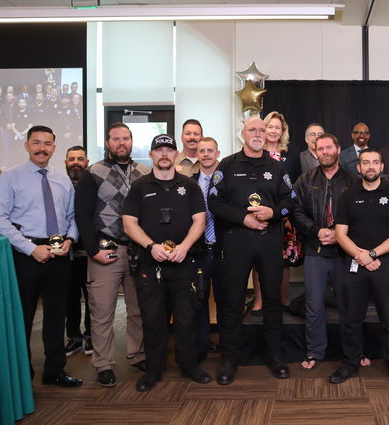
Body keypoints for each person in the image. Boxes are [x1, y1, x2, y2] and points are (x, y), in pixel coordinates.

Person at [122, 134, 211, 392]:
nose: (164, 154)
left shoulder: (189, 186)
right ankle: (153, 370)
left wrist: (183, 247)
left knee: (186, 318)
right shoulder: (139, 187)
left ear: (176, 154)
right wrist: (151, 246)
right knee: (153, 319)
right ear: (151, 155)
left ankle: (189, 366)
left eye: (168, 150)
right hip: (151, 265)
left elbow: (200, 221)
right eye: (158, 150)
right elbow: (129, 224)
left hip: (184, 262)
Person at [0, 125, 82, 387]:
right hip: (26, 254)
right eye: (36, 143)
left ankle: (54, 371)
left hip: (59, 254)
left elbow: (72, 216)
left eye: (47, 144)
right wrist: (31, 248)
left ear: (54, 148)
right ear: (26, 145)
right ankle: (22, 374)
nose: (42, 148)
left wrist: (70, 239)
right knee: (23, 316)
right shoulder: (11, 176)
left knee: (57, 315)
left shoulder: (62, 178)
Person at [209, 116, 292, 384]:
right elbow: (214, 203)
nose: (257, 133)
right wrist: (242, 218)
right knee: (231, 302)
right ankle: (229, 358)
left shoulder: (277, 166)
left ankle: (276, 356)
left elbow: (291, 201)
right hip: (235, 241)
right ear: (242, 134)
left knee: (272, 301)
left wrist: (273, 211)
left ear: (269, 134)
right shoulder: (228, 165)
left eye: (261, 129)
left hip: (269, 240)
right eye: (252, 129)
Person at [330, 149, 389, 387]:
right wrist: (361, 256)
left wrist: (373, 254)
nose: (370, 167)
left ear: (382, 167)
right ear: (359, 167)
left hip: (385, 262)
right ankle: (349, 364)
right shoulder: (347, 195)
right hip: (355, 261)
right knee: (351, 318)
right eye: (366, 163)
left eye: (375, 162)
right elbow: (340, 234)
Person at [75, 122, 148, 387]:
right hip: (105, 251)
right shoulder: (92, 172)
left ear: (131, 141)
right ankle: (103, 364)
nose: (121, 143)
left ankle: (137, 354)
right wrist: (93, 250)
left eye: (125, 138)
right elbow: (82, 214)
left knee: (138, 309)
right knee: (102, 311)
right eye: (116, 139)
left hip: (137, 251)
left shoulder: (144, 172)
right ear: (108, 143)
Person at [292, 133, 358, 370]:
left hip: (344, 252)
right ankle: (315, 352)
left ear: (338, 149)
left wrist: (338, 234)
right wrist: (316, 231)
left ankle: (354, 352)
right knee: (314, 305)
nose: (325, 152)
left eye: (329, 147)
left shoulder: (353, 180)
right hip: (315, 250)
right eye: (320, 149)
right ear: (315, 152)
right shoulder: (305, 179)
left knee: (349, 305)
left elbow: (359, 214)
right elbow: (296, 211)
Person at [249, 111, 297, 315]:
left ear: (283, 131)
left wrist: (285, 214)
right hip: (258, 214)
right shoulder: (255, 152)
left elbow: (295, 186)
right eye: (270, 127)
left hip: (284, 215)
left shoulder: (291, 154)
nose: (274, 131)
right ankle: (259, 300)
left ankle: (283, 298)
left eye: (278, 127)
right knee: (257, 259)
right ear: (263, 129)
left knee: (284, 258)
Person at [192, 137, 221, 363]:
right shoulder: (190, 183)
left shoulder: (227, 180)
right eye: (202, 151)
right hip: (199, 249)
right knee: (199, 298)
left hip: (223, 248)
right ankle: (201, 346)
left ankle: (227, 345)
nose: (206, 154)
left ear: (217, 153)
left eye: (210, 150)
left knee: (226, 298)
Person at [64, 146, 92, 357]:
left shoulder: (93, 184)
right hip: (65, 252)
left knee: (93, 298)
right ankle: (74, 337)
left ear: (87, 162)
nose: (76, 162)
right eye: (71, 159)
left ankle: (91, 337)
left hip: (90, 252)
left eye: (80, 159)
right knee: (69, 298)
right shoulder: (58, 184)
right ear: (65, 162)